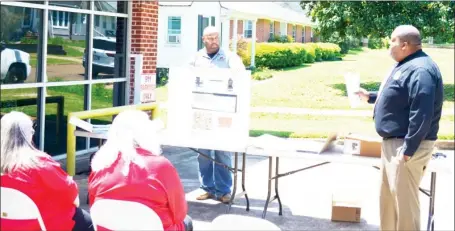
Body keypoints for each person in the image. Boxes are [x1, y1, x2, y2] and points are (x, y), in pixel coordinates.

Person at [356, 25, 444, 231]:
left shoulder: (421, 69)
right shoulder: (407, 64)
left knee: (405, 207)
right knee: (388, 203)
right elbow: (400, 97)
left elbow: (422, 112)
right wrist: (370, 97)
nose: (389, 45)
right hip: (393, 144)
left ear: (405, 45)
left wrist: (408, 150)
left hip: (406, 146)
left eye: (392, 41)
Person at [88, 110, 192, 231]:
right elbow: (179, 214)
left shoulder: (100, 165)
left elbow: (94, 207)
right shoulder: (161, 166)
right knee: (186, 221)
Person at [0, 111, 93, 231]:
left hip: (6, 225)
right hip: (42, 224)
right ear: (28, 134)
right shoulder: (40, 164)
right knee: (87, 221)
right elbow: (73, 197)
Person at [188, 26, 245, 203]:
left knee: (222, 152)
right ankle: (207, 188)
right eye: (210, 38)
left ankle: (223, 191)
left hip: (222, 111)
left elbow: (240, 73)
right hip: (202, 111)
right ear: (203, 39)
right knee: (203, 152)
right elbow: (186, 76)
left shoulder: (228, 57)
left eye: (216, 38)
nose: (214, 41)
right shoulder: (197, 57)